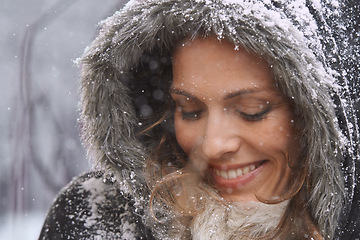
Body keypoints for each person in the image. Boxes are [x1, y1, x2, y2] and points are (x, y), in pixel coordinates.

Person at [39, 0, 360, 239]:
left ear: (322, 118)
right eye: (190, 110)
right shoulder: (95, 219)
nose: (213, 144)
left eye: (252, 110)